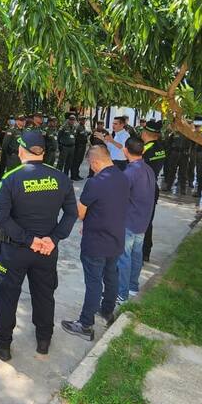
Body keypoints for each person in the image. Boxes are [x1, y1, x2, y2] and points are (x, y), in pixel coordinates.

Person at [0, 131, 77, 361]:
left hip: (15, 250)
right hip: (47, 250)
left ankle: (3, 344)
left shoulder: (11, 178)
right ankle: (44, 340)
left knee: (8, 296)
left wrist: (30, 240)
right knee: (44, 294)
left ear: (21, 150)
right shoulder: (60, 177)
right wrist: (53, 239)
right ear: (43, 152)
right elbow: (71, 214)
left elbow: (3, 218)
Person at [61, 145, 130, 340]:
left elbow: (80, 213)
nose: (91, 168)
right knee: (111, 276)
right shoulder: (123, 177)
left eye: (91, 165)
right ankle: (107, 312)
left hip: (96, 241)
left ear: (95, 162)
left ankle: (85, 325)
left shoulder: (95, 183)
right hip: (116, 237)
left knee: (93, 282)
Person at [116, 136, 157, 304]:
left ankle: (122, 293)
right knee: (136, 254)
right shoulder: (148, 169)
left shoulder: (129, 173)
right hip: (143, 219)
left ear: (125, 150)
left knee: (124, 257)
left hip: (129, 221)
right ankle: (133, 286)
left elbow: (119, 198)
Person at [140, 121, 166, 262]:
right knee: (148, 221)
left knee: (138, 220)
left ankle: (139, 251)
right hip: (152, 187)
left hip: (142, 188)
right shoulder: (160, 148)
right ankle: (146, 252)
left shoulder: (145, 149)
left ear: (145, 133)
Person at [71, 116, 89, 180]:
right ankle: (73, 175)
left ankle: (77, 174)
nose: (84, 121)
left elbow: (85, 134)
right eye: (82, 120)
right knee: (76, 161)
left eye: (84, 120)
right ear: (79, 120)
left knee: (79, 161)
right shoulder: (77, 127)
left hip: (83, 146)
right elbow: (75, 136)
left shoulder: (83, 127)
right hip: (78, 146)